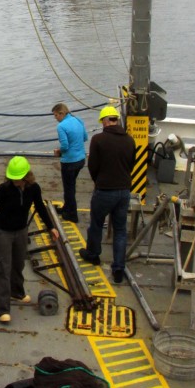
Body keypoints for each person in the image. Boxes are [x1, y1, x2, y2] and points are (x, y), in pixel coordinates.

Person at [0, 156, 59, 324]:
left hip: (21, 231)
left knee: (18, 264)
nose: (15, 181)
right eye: (13, 178)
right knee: (3, 268)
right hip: (3, 232)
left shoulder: (34, 189)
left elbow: (40, 207)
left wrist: (51, 227)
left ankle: (16, 292)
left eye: (18, 179)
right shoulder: (4, 189)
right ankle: (2, 309)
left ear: (26, 177)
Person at [79, 106, 136, 284]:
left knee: (96, 224)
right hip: (124, 191)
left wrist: (99, 182)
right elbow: (131, 164)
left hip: (104, 190)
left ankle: (93, 254)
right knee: (120, 230)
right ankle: (119, 268)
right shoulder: (130, 140)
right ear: (117, 120)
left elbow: (93, 166)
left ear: (104, 121)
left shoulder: (98, 139)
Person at [52, 103, 88, 222]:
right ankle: (67, 208)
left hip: (69, 162)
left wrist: (58, 151)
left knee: (69, 189)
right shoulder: (78, 120)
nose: (55, 118)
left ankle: (72, 215)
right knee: (71, 185)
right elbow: (85, 137)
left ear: (62, 113)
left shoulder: (61, 126)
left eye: (56, 115)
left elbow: (65, 146)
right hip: (81, 160)